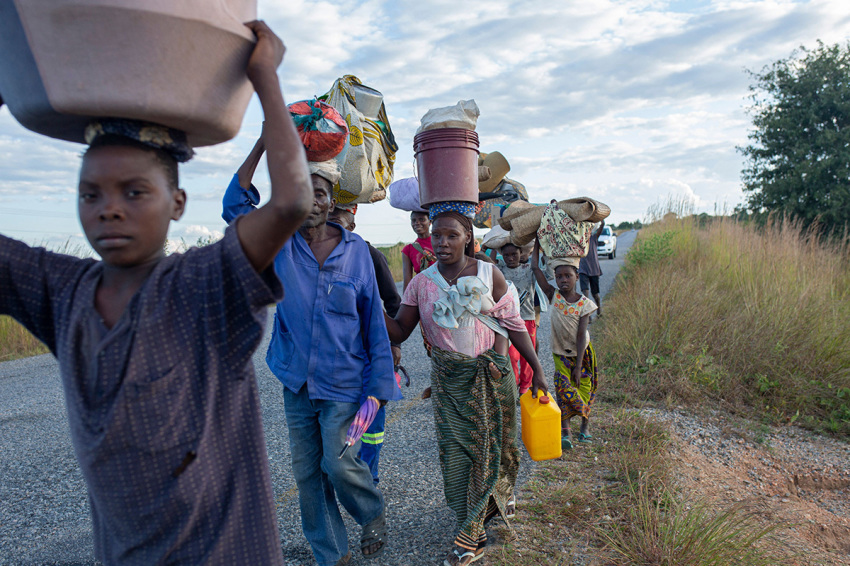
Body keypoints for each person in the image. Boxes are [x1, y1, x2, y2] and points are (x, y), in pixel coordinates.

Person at [0, 22, 312, 565]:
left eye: (134, 191)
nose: (109, 208)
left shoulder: (202, 285)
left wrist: (264, 77)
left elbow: (290, 203)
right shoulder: (64, 293)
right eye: (90, 193)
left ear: (178, 202)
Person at [223, 136, 398, 566]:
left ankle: (371, 511)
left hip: (344, 385)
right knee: (307, 477)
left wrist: (378, 389)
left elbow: (375, 325)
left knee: (339, 466)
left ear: (330, 200)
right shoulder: (279, 244)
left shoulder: (357, 254)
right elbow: (235, 207)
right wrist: (264, 144)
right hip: (297, 383)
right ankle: (333, 556)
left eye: (318, 192)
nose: (310, 200)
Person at [383, 201, 548, 566]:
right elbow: (399, 330)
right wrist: (369, 305)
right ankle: (470, 517)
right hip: (449, 383)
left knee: (497, 448)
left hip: (491, 376)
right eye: (437, 235)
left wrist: (536, 369)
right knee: (457, 455)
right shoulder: (421, 284)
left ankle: (474, 527)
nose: (441, 242)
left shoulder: (490, 275)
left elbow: (513, 324)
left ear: (467, 238)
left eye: (451, 235)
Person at [327, 204, 402, 485]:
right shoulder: (317, 255)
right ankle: (343, 476)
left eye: (340, 223)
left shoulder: (371, 255)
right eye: (328, 222)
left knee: (371, 422)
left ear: (352, 226)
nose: (333, 229)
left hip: (371, 354)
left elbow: (394, 302)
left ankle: (370, 478)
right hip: (337, 358)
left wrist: (394, 345)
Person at [531, 239, 598, 450]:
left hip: (582, 355)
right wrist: (536, 242)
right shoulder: (554, 296)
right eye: (559, 276)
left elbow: (580, 335)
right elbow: (535, 267)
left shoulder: (585, 304)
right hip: (560, 354)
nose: (563, 280)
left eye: (568, 275)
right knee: (563, 390)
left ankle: (585, 427)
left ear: (577, 276)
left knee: (584, 389)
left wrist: (578, 366)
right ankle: (566, 432)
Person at [494, 243, 538, 394]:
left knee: (528, 354)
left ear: (521, 253)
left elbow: (540, 266)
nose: (510, 258)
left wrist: (537, 244)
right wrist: (494, 245)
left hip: (527, 317)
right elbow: (488, 263)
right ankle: (513, 383)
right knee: (512, 355)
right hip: (508, 319)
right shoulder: (499, 271)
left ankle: (526, 385)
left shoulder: (529, 269)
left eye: (514, 254)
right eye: (506, 255)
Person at [401, 210, 435, 291]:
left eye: (422, 219)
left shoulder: (440, 243)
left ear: (430, 221)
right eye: (414, 220)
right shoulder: (408, 250)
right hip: (422, 294)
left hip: (443, 292)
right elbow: (407, 282)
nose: (417, 223)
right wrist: (406, 302)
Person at [579, 220, 605, 317]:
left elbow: (601, 228)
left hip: (594, 269)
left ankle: (599, 309)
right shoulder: (579, 240)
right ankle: (587, 315)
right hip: (583, 269)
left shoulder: (594, 238)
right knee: (585, 294)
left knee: (595, 295)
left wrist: (602, 221)